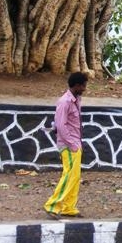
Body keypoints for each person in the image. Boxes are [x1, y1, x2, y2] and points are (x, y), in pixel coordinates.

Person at [43, 72, 88, 219]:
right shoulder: (65, 102)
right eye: (83, 85)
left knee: (74, 176)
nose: (84, 88)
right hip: (69, 145)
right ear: (76, 85)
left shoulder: (76, 100)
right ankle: (52, 205)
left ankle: (69, 207)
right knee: (69, 175)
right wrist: (73, 144)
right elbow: (61, 126)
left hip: (75, 143)